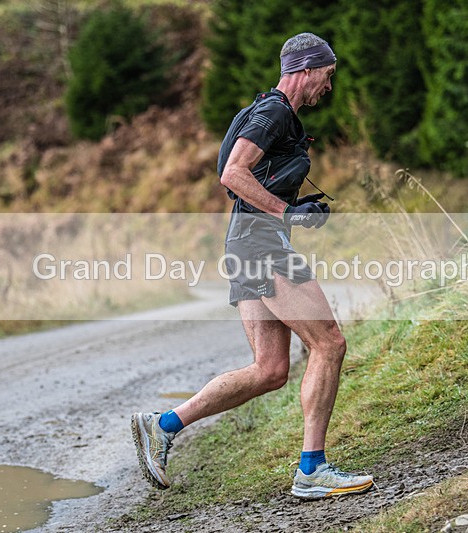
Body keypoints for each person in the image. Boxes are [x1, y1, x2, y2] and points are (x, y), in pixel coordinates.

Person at [132, 32, 373, 500]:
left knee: (270, 369)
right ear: (305, 69)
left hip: (247, 242)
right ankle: (312, 470)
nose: (329, 86)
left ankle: (162, 425)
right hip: (260, 245)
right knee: (329, 343)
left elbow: (248, 177)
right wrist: (287, 213)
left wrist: (296, 209)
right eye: (327, 75)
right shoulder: (274, 112)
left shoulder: (273, 112)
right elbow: (233, 173)